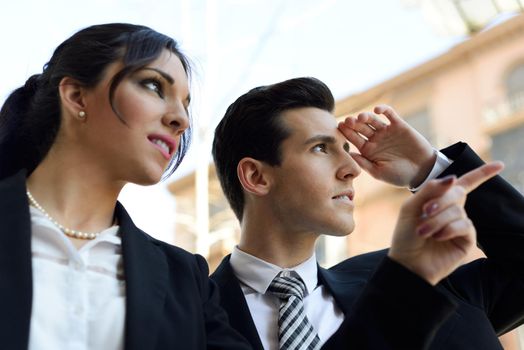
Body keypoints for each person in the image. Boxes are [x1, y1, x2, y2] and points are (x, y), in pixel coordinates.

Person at [210, 77, 523, 349]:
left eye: (346, 150)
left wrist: (427, 168)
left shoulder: (422, 278)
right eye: (320, 148)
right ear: (256, 177)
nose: (351, 169)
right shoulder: (188, 313)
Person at [0, 23, 253, 350]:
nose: (182, 120)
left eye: (186, 104)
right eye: (153, 86)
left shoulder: (185, 279)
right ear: (77, 96)